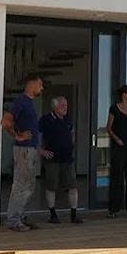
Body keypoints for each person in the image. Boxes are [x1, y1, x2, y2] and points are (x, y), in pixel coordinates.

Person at [1, 73, 43, 231]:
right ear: (31, 84)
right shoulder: (21, 101)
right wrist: (17, 136)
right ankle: (13, 220)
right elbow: (5, 121)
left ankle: (21, 217)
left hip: (30, 149)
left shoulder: (29, 103)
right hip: (23, 150)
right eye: (40, 84)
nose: (41, 88)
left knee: (29, 184)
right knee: (21, 184)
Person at [38, 96, 82, 224]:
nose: (65, 107)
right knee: (51, 187)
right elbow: (35, 135)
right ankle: (53, 215)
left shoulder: (67, 119)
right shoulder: (46, 120)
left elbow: (72, 131)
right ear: (54, 107)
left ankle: (74, 215)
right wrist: (41, 151)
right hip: (52, 160)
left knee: (73, 187)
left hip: (67, 159)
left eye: (66, 105)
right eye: (62, 105)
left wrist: (71, 142)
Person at [106, 84, 127, 218]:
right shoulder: (114, 108)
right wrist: (117, 139)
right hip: (119, 147)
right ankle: (113, 209)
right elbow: (109, 128)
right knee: (117, 177)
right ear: (124, 94)